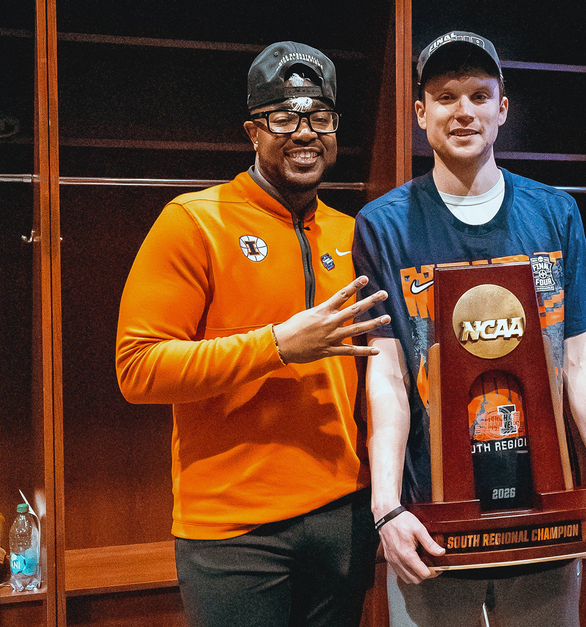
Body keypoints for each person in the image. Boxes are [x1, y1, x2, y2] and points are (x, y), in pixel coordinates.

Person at [352, 31, 586, 626]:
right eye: (446, 95)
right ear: (420, 112)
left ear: (502, 110)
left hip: (547, 509)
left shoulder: (554, 213)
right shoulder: (382, 227)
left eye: (480, 95)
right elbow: (389, 375)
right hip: (433, 521)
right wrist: (385, 507)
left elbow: (580, 360)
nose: (464, 111)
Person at [115, 41, 389, 627]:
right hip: (232, 532)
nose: (304, 133)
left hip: (343, 514)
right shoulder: (193, 221)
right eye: (283, 118)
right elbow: (138, 369)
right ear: (252, 131)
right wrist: (276, 345)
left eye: (320, 118)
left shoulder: (355, 232)